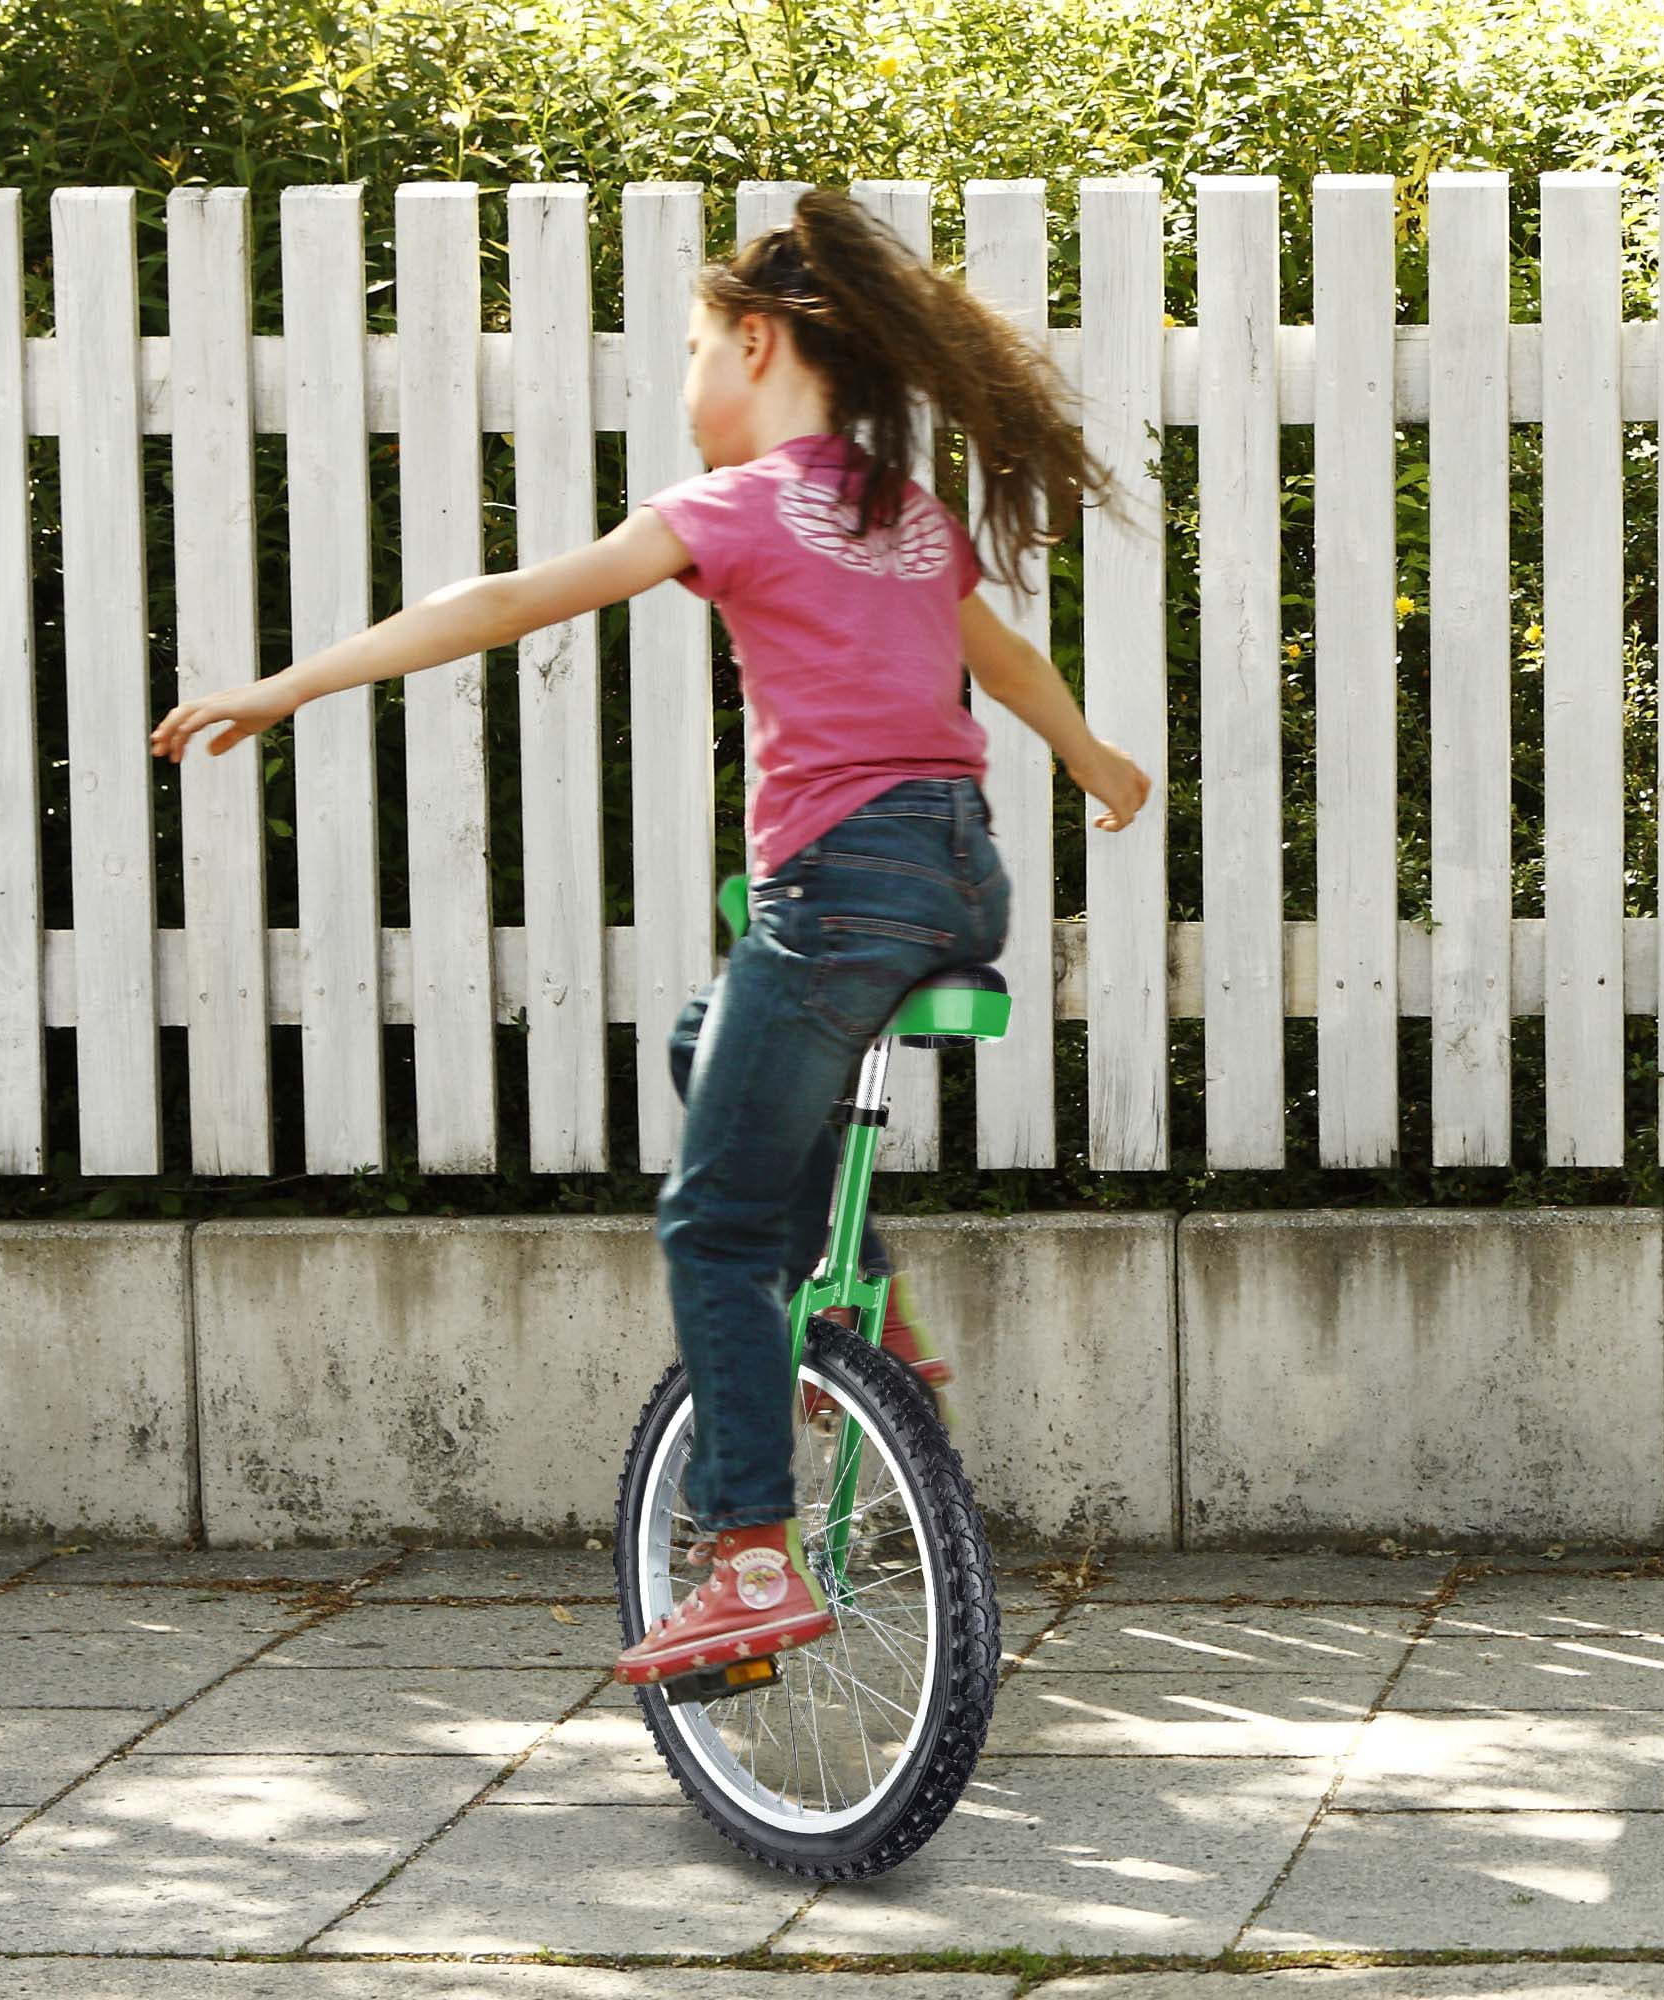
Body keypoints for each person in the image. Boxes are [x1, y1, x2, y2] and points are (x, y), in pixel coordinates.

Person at [149, 188, 1152, 1693]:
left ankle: (748, 1557)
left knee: (711, 1227)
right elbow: (995, 654)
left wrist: (284, 687)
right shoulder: (901, 513)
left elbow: (501, 601)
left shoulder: (733, 509)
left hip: (837, 888)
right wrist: (1088, 755)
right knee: (710, 1044)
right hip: (961, 878)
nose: (685, 382)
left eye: (691, 350)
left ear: (755, 346)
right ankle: (874, 1309)